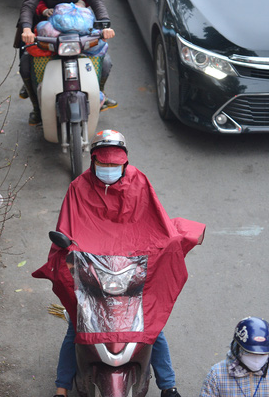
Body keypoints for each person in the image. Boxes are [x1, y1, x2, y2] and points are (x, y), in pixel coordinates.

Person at [33, 129, 206, 397]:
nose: (109, 168)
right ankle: (61, 387)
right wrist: (66, 251)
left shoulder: (140, 183)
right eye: (104, 163)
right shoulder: (77, 188)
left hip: (132, 270)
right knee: (76, 328)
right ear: (93, 161)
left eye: (115, 164)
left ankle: (168, 385)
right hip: (92, 272)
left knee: (151, 328)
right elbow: (66, 230)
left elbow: (156, 224)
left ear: (125, 162)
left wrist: (170, 244)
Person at [16, 0, 117, 126]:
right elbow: (29, 3)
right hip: (47, 24)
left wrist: (105, 24)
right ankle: (37, 107)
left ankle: (99, 93)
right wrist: (28, 27)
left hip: (78, 25)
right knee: (26, 63)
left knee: (105, 61)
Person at [199, 317, 269, 397]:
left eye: (262, 354)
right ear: (237, 348)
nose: (257, 359)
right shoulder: (217, 375)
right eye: (250, 353)